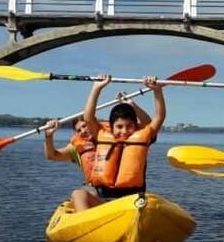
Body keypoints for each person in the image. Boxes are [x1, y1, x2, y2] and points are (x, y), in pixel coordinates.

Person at [63, 74, 165, 212]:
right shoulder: (101, 135)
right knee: (78, 194)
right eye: (119, 127)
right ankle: (88, 226)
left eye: (129, 126)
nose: (124, 131)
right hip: (103, 199)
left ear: (135, 126)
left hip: (131, 201)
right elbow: (88, 117)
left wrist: (157, 90)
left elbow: (159, 117)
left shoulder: (143, 136)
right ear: (112, 127)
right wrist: (97, 88)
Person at [43, 94, 152, 201]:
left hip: (124, 191)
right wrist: (49, 136)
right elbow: (51, 155)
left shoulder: (120, 135)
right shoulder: (79, 146)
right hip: (96, 190)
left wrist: (132, 105)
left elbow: (148, 126)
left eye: (85, 126)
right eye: (79, 130)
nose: (83, 131)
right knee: (80, 194)